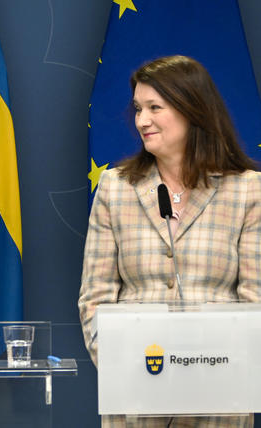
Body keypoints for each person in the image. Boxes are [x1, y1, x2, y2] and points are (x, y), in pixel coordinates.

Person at [78, 55, 261, 427]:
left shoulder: (247, 191)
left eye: (154, 107)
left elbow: (256, 301)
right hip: (135, 401)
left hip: (218, 401)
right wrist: (129, 367)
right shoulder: (116, 188)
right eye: (138, 109)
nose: (141, 120)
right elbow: (94, 299)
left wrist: (205, 367)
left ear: (192, 110)